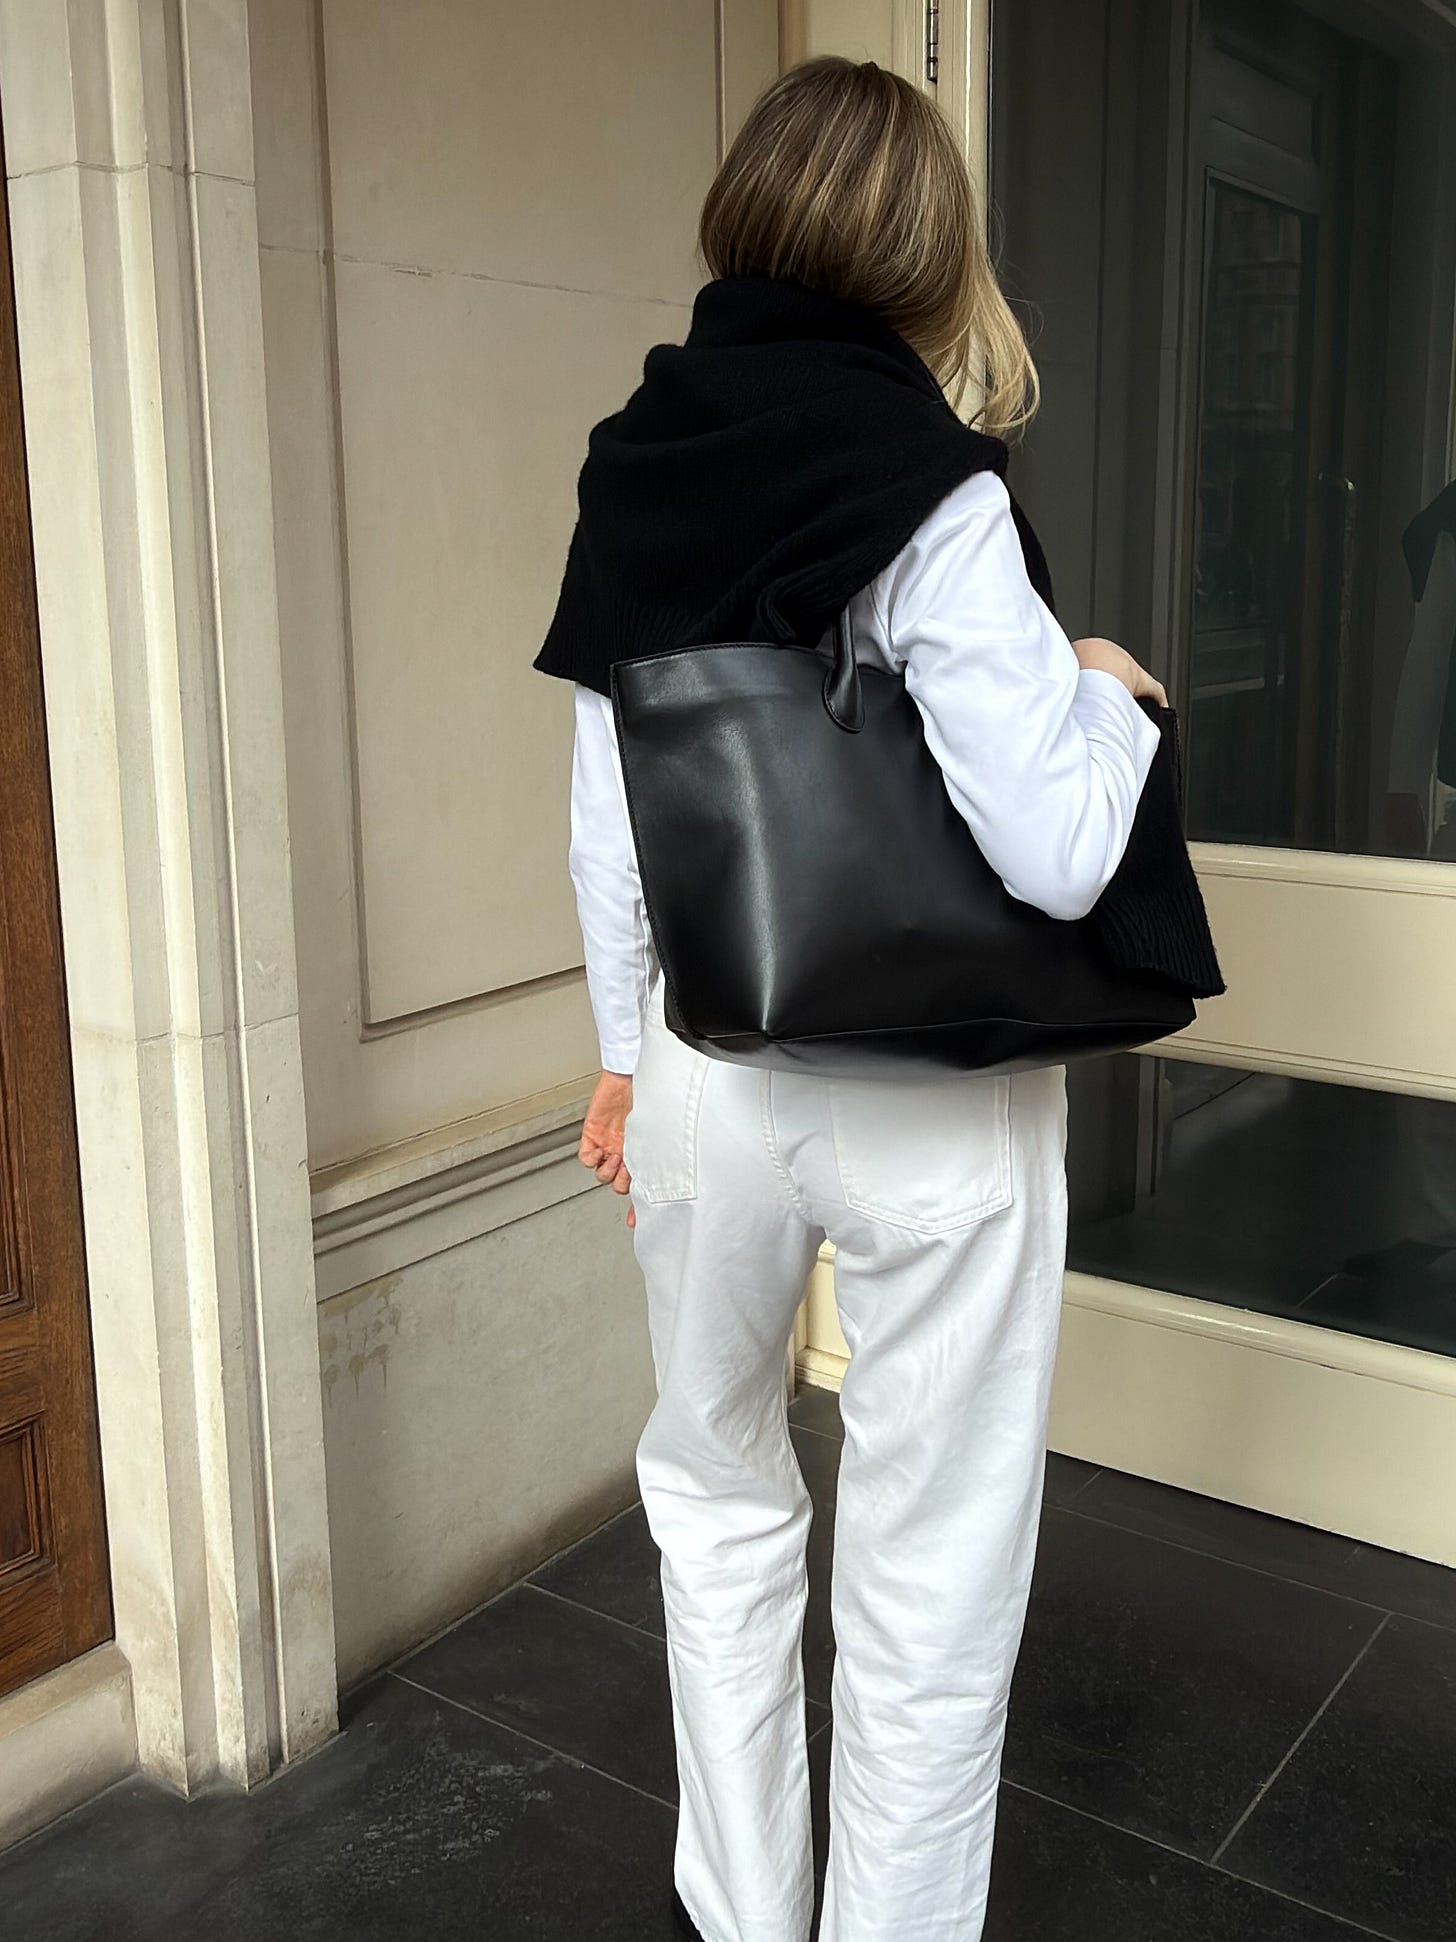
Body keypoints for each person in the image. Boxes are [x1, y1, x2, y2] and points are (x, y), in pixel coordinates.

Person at [534, 56, 1166, 1942]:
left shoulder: (636, 456)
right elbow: (1056, 849)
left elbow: (611, 812)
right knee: (931, 1560)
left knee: (716, 1490)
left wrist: (618, 1053)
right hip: (935, 1086)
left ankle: (746, 1910)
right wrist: (1105, 691)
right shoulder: (926, 475)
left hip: (705, 1063)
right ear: (924, 250)